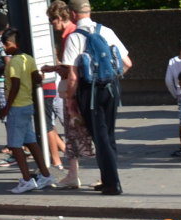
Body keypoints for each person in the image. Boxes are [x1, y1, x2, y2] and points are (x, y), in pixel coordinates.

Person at [62, 0, 132, 195]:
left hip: (89, 91)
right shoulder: (106, 31)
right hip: (111, 88)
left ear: (72, 14)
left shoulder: (75, 37)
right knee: (108, 135)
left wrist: (69, 98)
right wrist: (110, 79)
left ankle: (113, 184)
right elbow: (127, 63)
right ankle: (107, 179)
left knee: (99, 137)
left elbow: (73, 76)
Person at [0, 28, 55, 193]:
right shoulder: (28, 58)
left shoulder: (14, 62)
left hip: (16, 107)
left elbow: (15, 85)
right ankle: (45, 175)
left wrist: (5, 108)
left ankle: (26, 179)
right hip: (28, 105)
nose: (4, 49)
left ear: (10, 44)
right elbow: (37, 78)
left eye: (4, 45)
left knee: (15, 145)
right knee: (31, 142)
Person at [41, 1, 85, 187]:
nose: (52, 24)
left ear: (59, 18)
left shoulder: (70, 35)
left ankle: (73, 175)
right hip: (85, 89)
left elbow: (70, 70)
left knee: (74, 133)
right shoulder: (79, 31)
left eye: (52, 20)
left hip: (73, 91)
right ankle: (92, 173)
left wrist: (53, 69)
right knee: (86, 134)